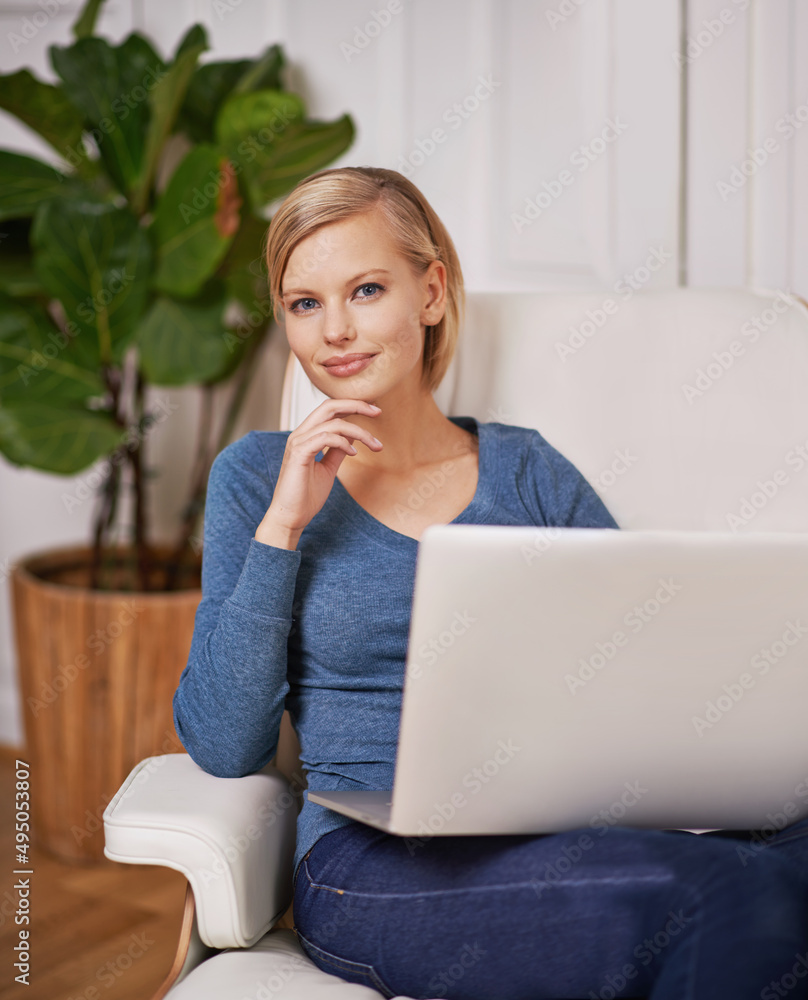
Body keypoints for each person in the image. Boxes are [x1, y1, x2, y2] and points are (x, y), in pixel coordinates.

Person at [173, 166, 808, 1000]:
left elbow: (647, 670)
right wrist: (285, 525)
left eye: (366, 289)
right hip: (376, 862)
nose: (334, 331)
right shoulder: (259, 477)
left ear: (430, 291)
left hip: (566, 829)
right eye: (304, 303)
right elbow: (223, 742)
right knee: (718, 894)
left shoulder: (530, 472)